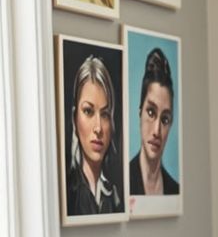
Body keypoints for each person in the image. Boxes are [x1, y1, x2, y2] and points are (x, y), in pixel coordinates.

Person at [64, 54, 122, 217]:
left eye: (104, 114)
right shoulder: (69, 192)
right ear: (75, 118)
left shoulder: (115, 197)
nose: (98, 128)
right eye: (88, 111)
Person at [128, 46, 179, 197]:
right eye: (151, 112)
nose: (157, 130)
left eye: (165, 119)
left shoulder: (175, 190)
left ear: (170, 124)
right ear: (140, 112)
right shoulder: (122, 184)